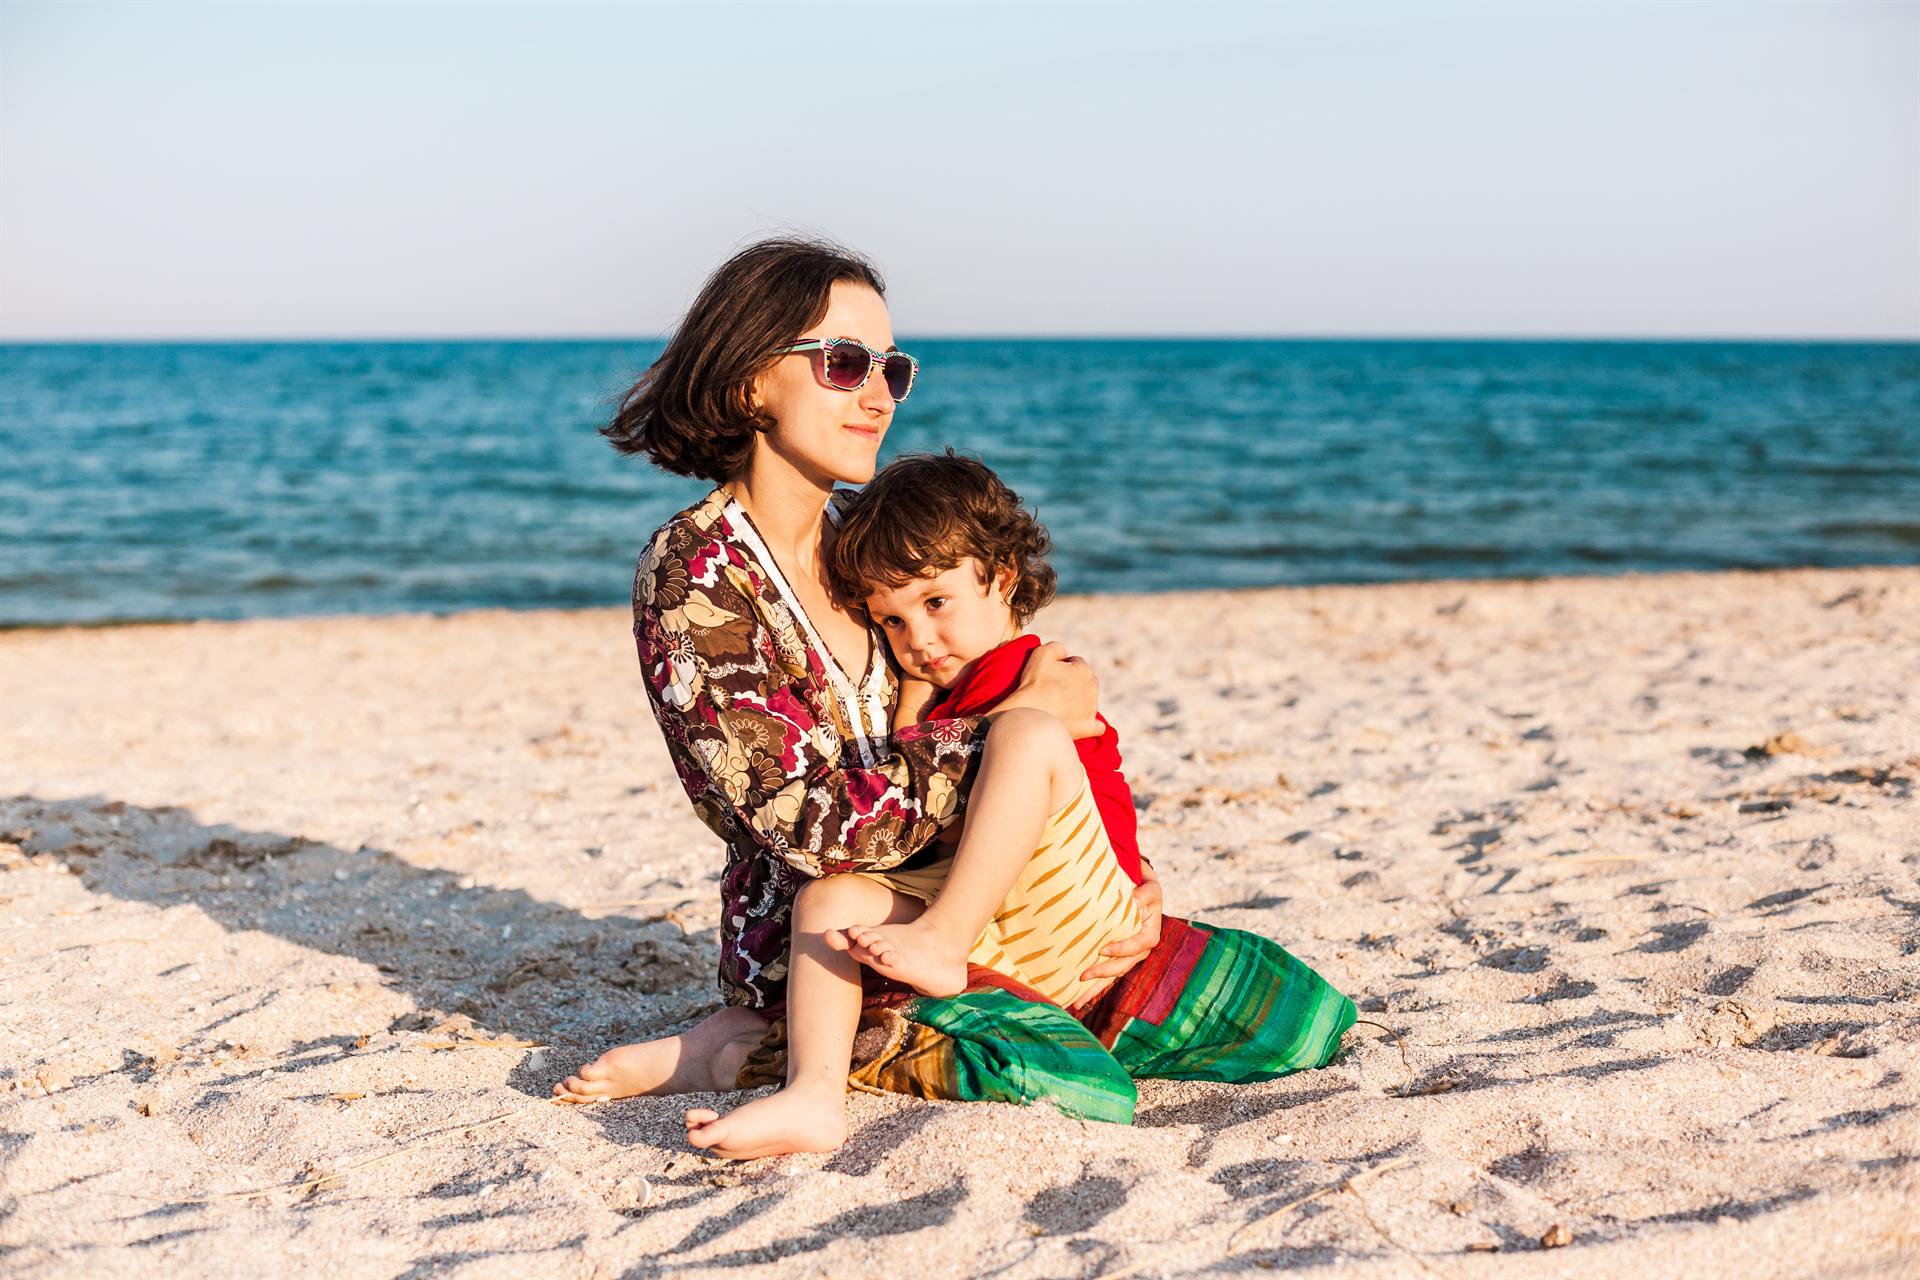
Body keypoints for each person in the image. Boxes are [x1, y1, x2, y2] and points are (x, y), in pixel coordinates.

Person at [552, 239, 1164, 1157]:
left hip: (975, 896)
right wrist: (1018, 727)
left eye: (892, 368)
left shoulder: (860, 549)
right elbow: (810, 825)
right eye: (843, 365)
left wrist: (1111, 857)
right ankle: (734, 1053)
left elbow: (1003, 662)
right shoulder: (698, 577)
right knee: (1057, 1069)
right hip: (828, 942)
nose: (876, 395)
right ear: (749, 384)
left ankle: (730, 1053)